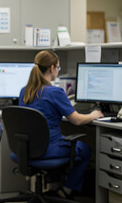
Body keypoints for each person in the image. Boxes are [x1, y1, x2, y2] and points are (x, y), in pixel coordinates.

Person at [19, 50, 103, 199]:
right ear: (52, 68)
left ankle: (55, 187)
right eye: (58, 67)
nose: (58, 70)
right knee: (85, 150)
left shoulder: (24, 91)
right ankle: (67, 190)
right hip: (49, 149)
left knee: (63, 138)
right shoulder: (55, 92)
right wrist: (93, 115)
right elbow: (76, 120)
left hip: (27, 149)